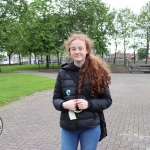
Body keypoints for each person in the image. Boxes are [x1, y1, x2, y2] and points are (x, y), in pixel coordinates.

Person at [53, 33, 112, 150]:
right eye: (73, 49)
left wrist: (88, 104)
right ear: (69, 51)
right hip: (68, 126)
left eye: (80, 48)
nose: (77, 51)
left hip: (90, 126)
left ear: (87, 50)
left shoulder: (97, 72)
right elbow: (56, 99)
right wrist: (64, 104)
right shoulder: (63, 72)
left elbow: (107, 100)